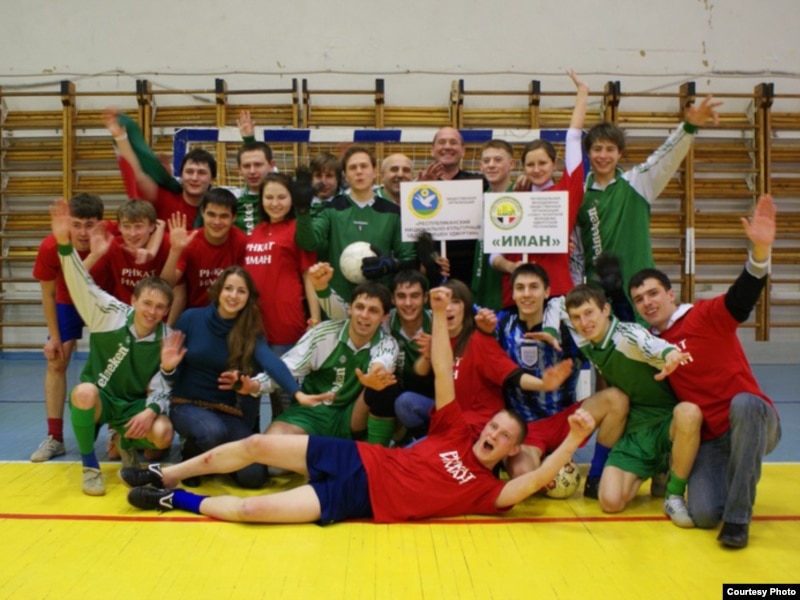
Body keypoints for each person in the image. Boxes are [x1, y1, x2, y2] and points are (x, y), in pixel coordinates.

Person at [121, 286, 597, 524]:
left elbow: (537, 478)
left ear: (510, 450)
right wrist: (437, 312)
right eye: (494, 427)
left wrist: (574, 439)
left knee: (251, 512)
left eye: (503, 437)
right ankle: (166, 473)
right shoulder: (456, 431)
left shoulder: (486, 492)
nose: (493, 434)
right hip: (355, 458)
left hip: (357, 500)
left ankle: (174, 499)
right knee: (257, 445)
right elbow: (442, 365)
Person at [628, 194, 781, 548]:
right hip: (712, 439)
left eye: (653, 293)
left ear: (670, 294)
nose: (647, 302)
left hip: (754, 421)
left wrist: (760, 252)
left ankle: (738, 520)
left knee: (744, 403)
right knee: (705, 514)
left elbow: (743, 295)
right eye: (639, 299)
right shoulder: (649, 345)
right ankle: (729, 490)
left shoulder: (705, 315)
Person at [48, 198, 176, 496]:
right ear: (133, 301)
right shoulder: (108, 313)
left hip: (133, 406)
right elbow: (80, 284)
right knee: (83, 392)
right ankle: (90, 466)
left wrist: (150, 411)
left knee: (163, 433)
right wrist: (64, 245)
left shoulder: (167, 338)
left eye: (160, 307)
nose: (152, 312)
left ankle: (126, 443)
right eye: (147, 303)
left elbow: (164, 387)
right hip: (101, 399)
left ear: (167, 310)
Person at [163, 266, 332, 488]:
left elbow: (272, 363)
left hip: (226, 412)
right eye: (229, 288)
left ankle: (217, 460)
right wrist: (168, 368)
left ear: (248, 297)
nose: (233, 296)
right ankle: (190, 455)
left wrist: (298, 394)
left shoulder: (249, 330)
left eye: (241, 291)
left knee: (254, 477)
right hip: (187, 405)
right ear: (218, 290)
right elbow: (171, 375)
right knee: (212, 432)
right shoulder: (190, 318)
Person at [551, 284, 699, 527]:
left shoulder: (627, 335)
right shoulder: (585, 336)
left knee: (689, 412)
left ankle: (673, 493)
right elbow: (556, 303)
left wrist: (669, 354)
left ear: (606, 309)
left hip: (667, 421)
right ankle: (656, 467)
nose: (583, 322)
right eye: (576, 317)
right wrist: (549, 329)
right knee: (610, 502)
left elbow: (649, 344)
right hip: (636, 426)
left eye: (589, 313)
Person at [575, 95, 722, 319]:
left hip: (640, 294)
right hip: (599, 298)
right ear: (588, 153)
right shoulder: (579, 193)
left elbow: (665, 156)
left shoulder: (637, 183)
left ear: (619, 153)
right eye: (597, 149)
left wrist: (688, 127)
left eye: (610, 149)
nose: (603, 156)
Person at [494, 264, 628, 481]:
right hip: (526, 426)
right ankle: (546, 459)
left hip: (566, 420)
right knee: (522, 477)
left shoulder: (570, 328)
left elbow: (600, 359)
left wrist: (599, 398)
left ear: (547, 292)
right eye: (520, 288)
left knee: (616, 398)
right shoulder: (501, 324)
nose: (526, 294)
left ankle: (596, 476)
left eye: (534, 287)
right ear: (513, 293)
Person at [395, 279, 574, 440]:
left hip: (476, 424)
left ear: (465, 308)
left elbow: (512, 376)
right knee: (405, 403)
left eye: (455, 302)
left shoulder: (478, 340)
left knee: (412, 456)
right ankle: (430, 440)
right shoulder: (441, 339)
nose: (448, 308)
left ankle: (434, 445)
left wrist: (543, 385)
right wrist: (428, 356)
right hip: (450, 417)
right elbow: (420, 373)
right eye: (444, 303)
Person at [263, 275, 400, 447]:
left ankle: (376, 454)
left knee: (385, 384)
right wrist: (254, 385)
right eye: (359, 307)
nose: (364, 315)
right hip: (313, 412)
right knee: (271, 447)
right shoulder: (324, 334)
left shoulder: (388, 343)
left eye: (373, 310)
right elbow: (288, 368)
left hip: (351, 416)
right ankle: (323, 451)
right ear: (349, 309)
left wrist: (375, 375)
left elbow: (383, 360)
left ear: (385, 317)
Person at [491, 70, 588, 305]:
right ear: (522, 167)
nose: (536, 170)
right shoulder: (512, 199)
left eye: (542, 163)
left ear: (554, 164)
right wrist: (512, 266)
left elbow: (573, 138)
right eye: (530, 165)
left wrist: (583, 94)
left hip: (556, 293)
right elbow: (495, 253)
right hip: (515, 296)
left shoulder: (565, 193)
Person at [30, 193, 105, 462]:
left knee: (115, 360)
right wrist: (54, 336)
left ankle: (118, 431)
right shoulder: (51, 246)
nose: (83, 233)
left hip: (103, 299)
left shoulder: (111, 238)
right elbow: (48, 294)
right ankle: (55, 438)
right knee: (56, 360)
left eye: (90, 225)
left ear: (100, 224)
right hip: (67, 300)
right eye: (76, 225)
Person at [294, 145, 417, 301]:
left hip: (379, 302)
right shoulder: (330, 210)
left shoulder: (394, 213)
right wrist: (302, 211)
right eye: (353, 167)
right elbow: (308, 243)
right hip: (337, 301)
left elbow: (408, 258)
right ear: (345, 176)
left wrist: (391, 264)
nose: (359, 171)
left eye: (364, 166)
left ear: (374, 172)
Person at [243, 172, 320, 415]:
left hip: (285, 321)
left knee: (285, 394)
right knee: (251, 392)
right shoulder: (256, 231)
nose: (275, 203)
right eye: (269, 197)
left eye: (281, 197)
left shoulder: (297, 229)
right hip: (253, 325)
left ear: (292, 199)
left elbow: (308, 275)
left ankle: (286, 436)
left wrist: (315, 318)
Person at [105, 109, 215, 227]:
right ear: (181, 175)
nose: (194, 178)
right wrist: (121, 138)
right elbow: (138, 174)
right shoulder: (166, 199)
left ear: (212, 179)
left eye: (201, 173)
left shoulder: (218, 210)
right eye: (189, 172)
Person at [160, 188, 248, 324]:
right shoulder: (188, 241)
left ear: (234, 217)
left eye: (224, 216)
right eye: (211, 214)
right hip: (197, 317)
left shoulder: (243, 243)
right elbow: (165, 286)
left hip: (233, 316)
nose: (217, 222)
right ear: (202, 213)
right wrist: (175, 251)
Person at [418, 127, 483, 287]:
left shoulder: (480, 183)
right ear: (432, 150)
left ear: (463, 150)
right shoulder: (419, 186)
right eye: (442, 142)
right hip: (434, 271)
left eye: (453, 142)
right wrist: (423, 187)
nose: (447, 146)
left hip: (471, 270)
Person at [87, 199, 169, 305]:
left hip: (155, 312)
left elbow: (175, 287)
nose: (132, 233)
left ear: (152, 227)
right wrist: (93, 256)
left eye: (138, 226)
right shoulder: (113, 246)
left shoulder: (166, 244)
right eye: (126, 226)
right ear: (119, 227)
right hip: (122, 311)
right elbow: (80, 278)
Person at [470, 140, 517, 310]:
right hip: (482, 279)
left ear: (511, 164)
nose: (491, 165)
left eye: (498, 160)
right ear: (480, 166)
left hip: (507, 286)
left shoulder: (520, 194)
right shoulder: (479, 197)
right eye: (486, 161)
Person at [233, 110, 277, 234]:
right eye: (246, 166)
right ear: (239, 169)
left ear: (271, 165)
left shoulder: (284, 195)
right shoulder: (234, 199)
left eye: (258, 165)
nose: (252, 171)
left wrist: (250, 140)